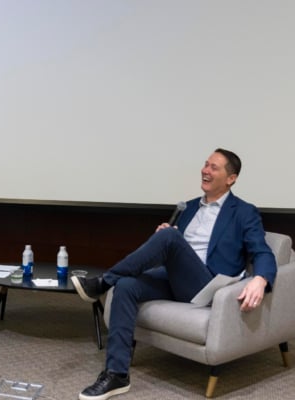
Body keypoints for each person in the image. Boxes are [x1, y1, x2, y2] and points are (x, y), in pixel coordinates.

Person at [71, 148, 277, 400]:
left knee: (169, 237)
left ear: (231, 178)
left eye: (213, 167)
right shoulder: (188, 207)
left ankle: (103, 282)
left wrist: (261, 279)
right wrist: (166, 237)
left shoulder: (244, 211)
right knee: (126, 285)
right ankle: (117, 374)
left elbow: (262, 251)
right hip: (177, 280)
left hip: (207, 286)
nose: (205, 170)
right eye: (205, 164)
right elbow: (177, 251)